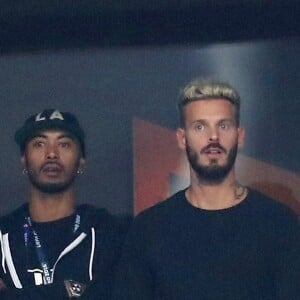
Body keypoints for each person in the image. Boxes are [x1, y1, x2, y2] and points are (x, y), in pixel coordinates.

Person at [113, 78, 300, 299]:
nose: (213, 136)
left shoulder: (279, 223)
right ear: (182, 138)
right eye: (200, 126)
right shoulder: (148, 230)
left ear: (240, 136)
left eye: (223, 125)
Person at [0, 109, 122, 299]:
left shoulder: (107, 232)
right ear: (23, 159)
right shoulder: (3, 234)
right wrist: (69, 290)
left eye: (64, 144)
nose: (51, 154)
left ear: (81, 160)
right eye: (39, 144)